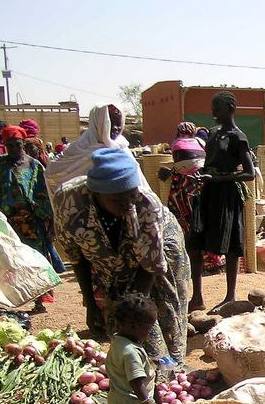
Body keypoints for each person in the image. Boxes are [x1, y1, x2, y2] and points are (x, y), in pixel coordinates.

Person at [53, 147, 190, 363]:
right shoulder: (69, 203)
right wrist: (90, 303)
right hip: (111, 259)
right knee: (117, 320)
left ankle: (171, 367)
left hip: (159, 250)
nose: (128, 206)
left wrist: (134, 314)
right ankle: (135, 367)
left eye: (131, 197)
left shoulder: (145, 206)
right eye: (118, 200)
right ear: (96, 194)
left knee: (158, 314)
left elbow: (151, 268)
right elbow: (77, 257)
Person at [0, 125, 63, 307]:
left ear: (23, 144)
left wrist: (49, 221)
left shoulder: (35, 165)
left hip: (31, 222)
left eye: (17, 145)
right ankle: (12, 297)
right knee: (9, 260)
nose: (13, 149)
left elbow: (45, 194)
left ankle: (39, 299)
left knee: (35, 259)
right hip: (7, 222)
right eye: (9, 145)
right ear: (4, 145)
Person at [189, 92, 253, 313]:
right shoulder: (213, 134)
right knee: (195, 243)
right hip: (208, 192)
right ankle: (197, 296)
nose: (213, 112)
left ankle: (230, 297)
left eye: (217, 108)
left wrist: (219, 178)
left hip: (227, 196)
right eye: (212, 108)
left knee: (231, 246)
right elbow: (209, 163)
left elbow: (249, 174)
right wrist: (201, 176)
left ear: (230, 108)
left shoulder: (239, 137)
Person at [106, 292, 168, 404]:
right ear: (133, 326)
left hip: (130, 399)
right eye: (147, 329)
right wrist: (150, 402)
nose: (149, 334)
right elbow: (135, 381)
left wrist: (150, 363)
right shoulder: (130, 352)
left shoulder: (120, 340)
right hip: (130, 402)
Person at [160, 122, 208, 310]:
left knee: (186, 251)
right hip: (197, 203)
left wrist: (169, 172)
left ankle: (193, 297)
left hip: (182, 207)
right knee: (195, 253)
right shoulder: (200, 146)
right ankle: (196, 295)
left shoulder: (177, 146)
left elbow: (180, 172)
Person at [47, 104, 132, 199]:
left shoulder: (122, 146)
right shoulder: (80, 147)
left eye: (118, 123)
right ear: (97, 123)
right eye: (110, 122)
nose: (116, 128)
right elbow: (52, 173)